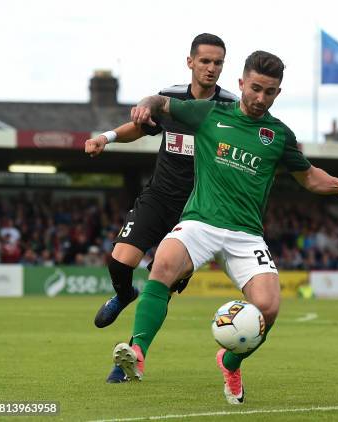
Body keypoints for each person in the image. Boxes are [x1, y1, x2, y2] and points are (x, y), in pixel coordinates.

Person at [111, 50, 338, 405]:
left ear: (277, 93)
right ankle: (138, 351)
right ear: (241, 83)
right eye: (256, 88)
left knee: (268, 308)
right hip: (200, 222)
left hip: (246, 234)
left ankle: (230, 362)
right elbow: (163, 103)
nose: (261, 98)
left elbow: (308, 177)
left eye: (270, 92)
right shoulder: (209, 113)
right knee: (163, 263)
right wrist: (145, 104)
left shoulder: (278, 135)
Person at [86, 33, 237, 383]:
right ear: (190, 62)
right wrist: (104, 138)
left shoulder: (231, 107)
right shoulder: (169, 99)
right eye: (205, 61)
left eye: (218, 63)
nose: (211, 68)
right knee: (119, 260)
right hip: (158, 199)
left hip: (198, 212)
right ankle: (124, 294)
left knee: (162, 279)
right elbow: (138, 129)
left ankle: (131, 358)